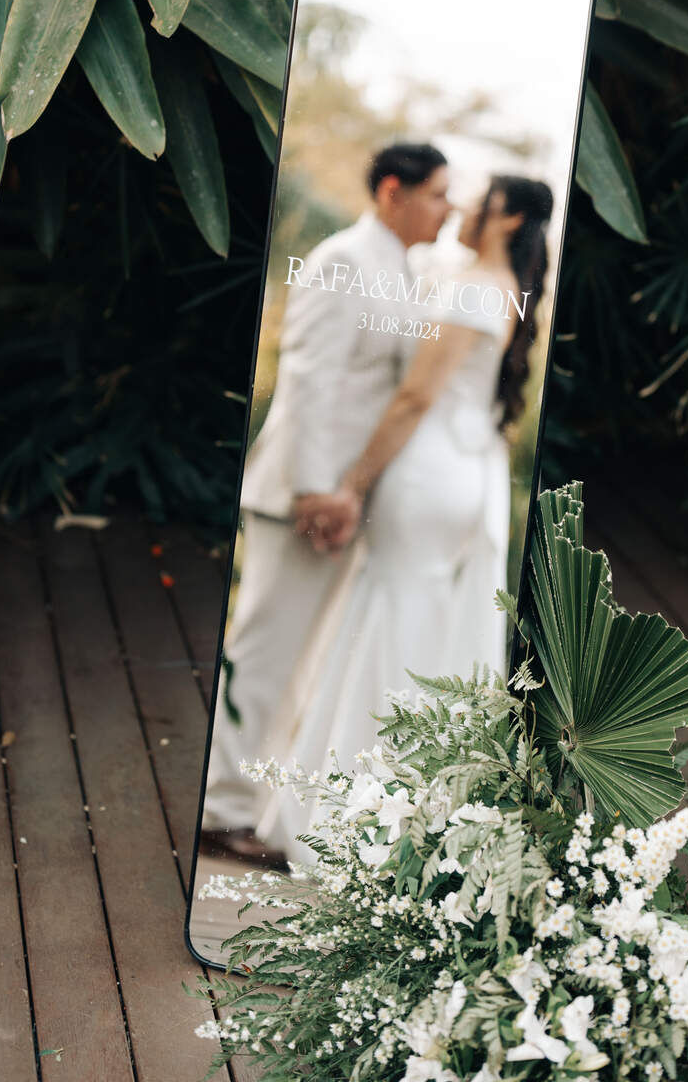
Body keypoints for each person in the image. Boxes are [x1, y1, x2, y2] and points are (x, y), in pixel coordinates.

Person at [255, 174, 554, 865]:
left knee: (387, 632)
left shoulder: (476, 285)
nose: (467, 206)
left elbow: (414, 397)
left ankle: (344, 829)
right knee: (422, 639)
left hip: (426, 474)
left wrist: (351, 485)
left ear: (507, 219)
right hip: (465, 472)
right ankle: (390, 825)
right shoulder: (501, 284)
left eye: (480, 200)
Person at [200, 142, 451, 861]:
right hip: (302, 498)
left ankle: (255, 803)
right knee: (264, 652)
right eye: (437, 194)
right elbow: (308, 375)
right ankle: (221, 809)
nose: (447, 209)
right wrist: (315, 489)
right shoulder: (344, 259)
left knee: (301, 658)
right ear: (392, 191)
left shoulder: (402, 269)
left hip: (345, 500)